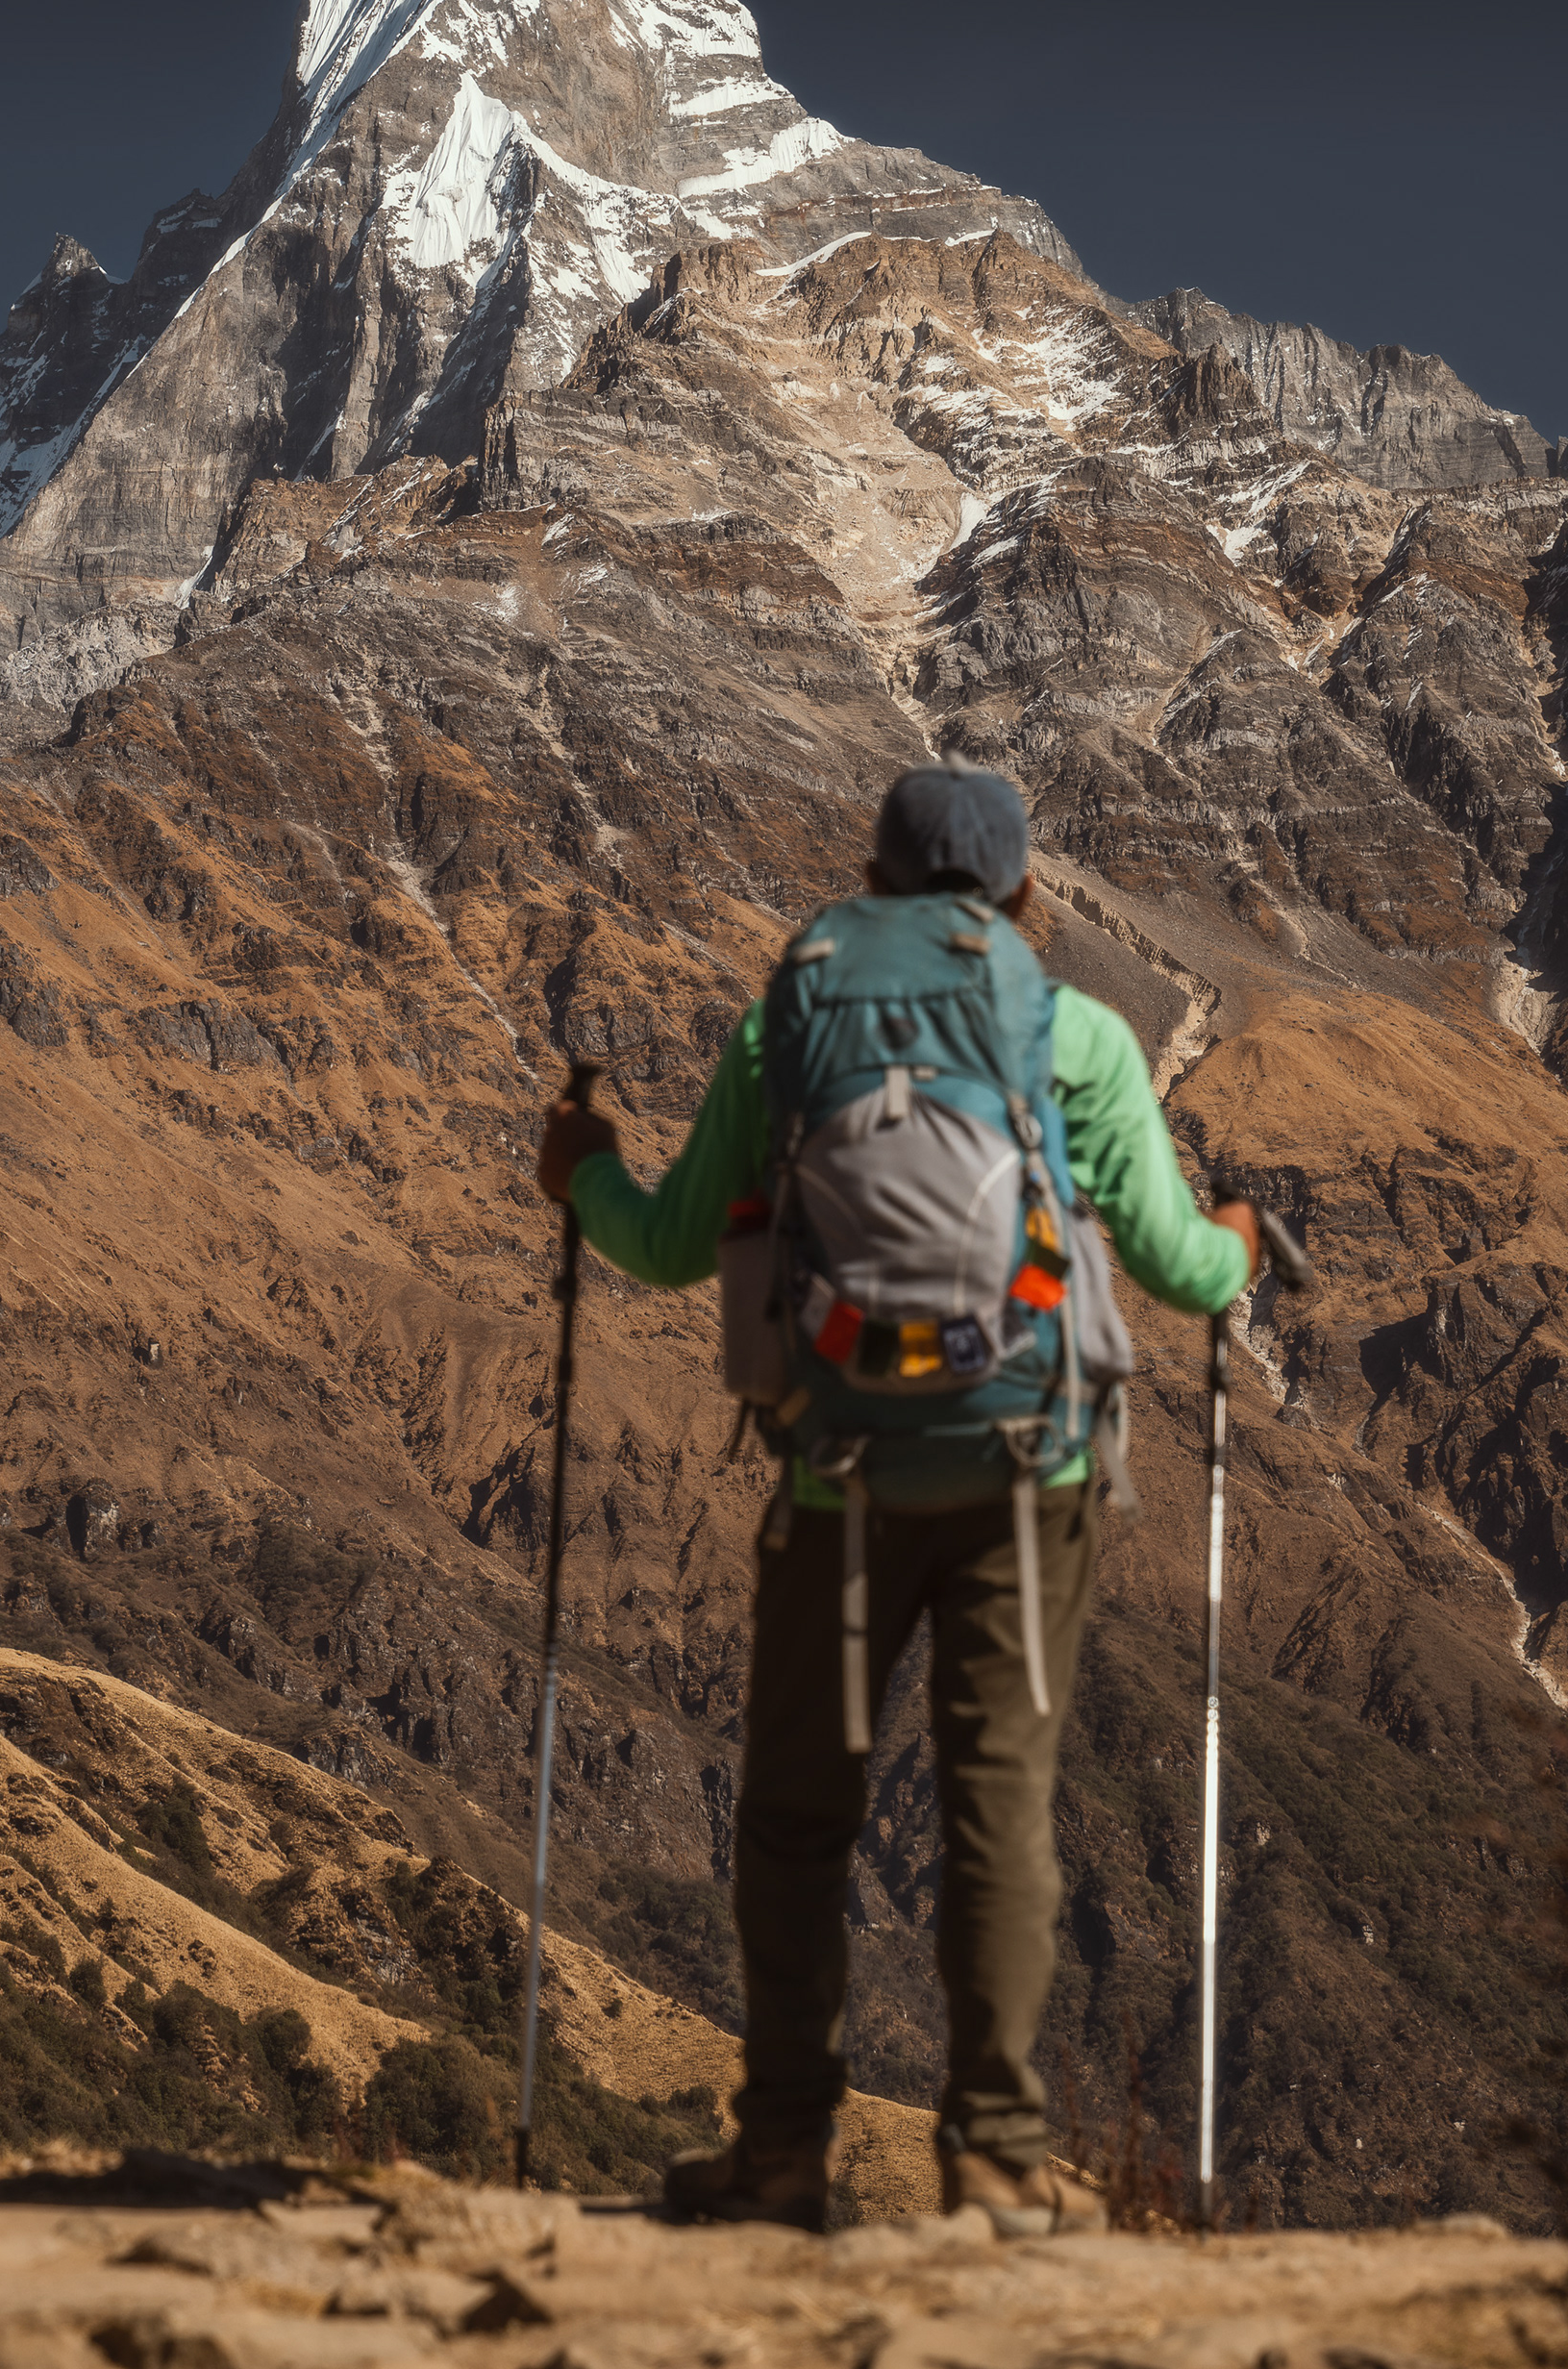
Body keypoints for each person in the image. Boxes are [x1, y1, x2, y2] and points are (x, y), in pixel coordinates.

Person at [537, 763, 1258, 2236]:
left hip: (838, 1467)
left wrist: (583, 1180)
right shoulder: (1077, 1040)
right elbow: (1185, 1271)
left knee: (801, 1816)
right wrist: (1241, 1244)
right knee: (1001, 1809)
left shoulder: (792, 1026)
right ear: (1018, 898)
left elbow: (679, 1246)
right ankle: (995, 2161)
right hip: (1026, 1472)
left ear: (872, 883)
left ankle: (784, 2151)